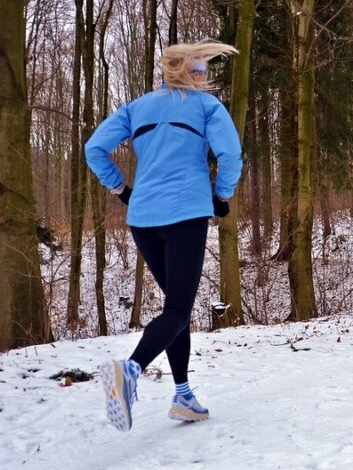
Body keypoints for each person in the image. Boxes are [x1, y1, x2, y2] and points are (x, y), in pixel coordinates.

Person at [84, 41, 243, 432]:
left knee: (177, 308)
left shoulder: (136, 107)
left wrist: (121, 190)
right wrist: (221, 196)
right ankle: (130, 370)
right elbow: (231, 156)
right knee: (178, 310)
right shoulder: (207, 107)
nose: (205, 77)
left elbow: (94, 149)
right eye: (201, 70)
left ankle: (184, 396)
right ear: (186, 72)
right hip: (186, 213)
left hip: (143, 218)